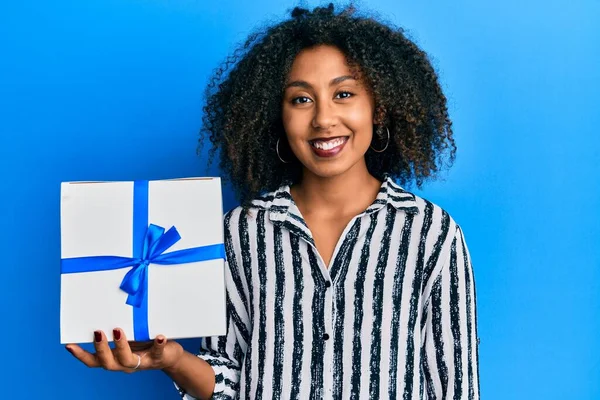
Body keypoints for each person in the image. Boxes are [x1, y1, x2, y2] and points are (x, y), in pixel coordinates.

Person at [66, 3, 480, 399]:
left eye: (344, 94)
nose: (322, 118)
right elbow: (228, 380)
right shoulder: (239, 232)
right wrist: (173, 360)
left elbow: (456, 388)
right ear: (276, 116)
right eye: (301, 99)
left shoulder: (431, 234)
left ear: (379, 108)